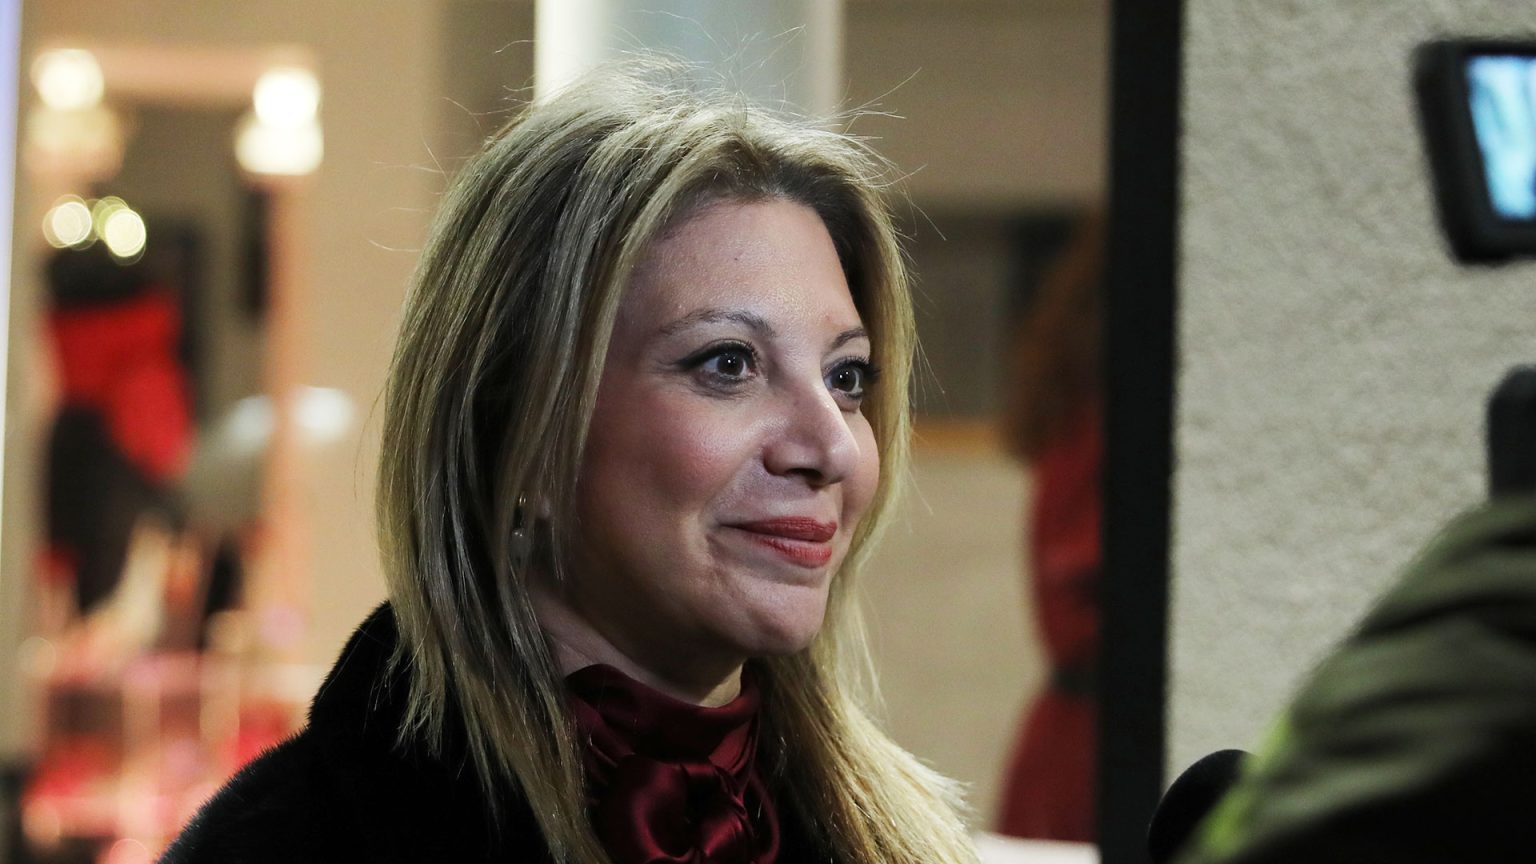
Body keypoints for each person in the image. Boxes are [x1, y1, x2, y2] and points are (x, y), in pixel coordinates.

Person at [161, 62, 977, 864]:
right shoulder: (283, 845)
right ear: (523, 430)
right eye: (729, 363)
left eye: (846, 378)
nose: (831, 447)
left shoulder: (907, 839)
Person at [996, 211, 1103, 842]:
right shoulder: (1096, 424)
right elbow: (1077, 575)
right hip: (1088, 743)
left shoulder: (1078, 415)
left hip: (1072, 737)